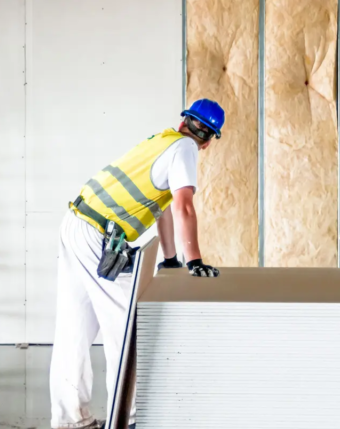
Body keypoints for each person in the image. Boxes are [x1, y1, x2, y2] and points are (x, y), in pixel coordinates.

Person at [49, 99, 225, 429]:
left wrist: (171, 259)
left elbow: (162, 208)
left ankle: (70, 420)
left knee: (75, 328)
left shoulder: (162, 141)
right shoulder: (185, 149)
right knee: (126, 327)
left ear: (184, 121)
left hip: (77, 222)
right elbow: (184, 207)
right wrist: (195, 261)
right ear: (209, 140)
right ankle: (129, 419)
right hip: (98, 237)